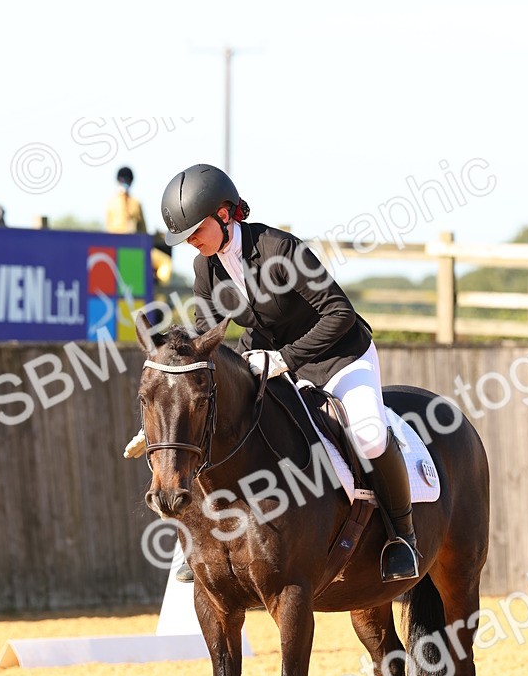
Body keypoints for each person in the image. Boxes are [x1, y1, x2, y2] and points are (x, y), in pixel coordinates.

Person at [129, 162, 419, 584]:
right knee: (217, 425)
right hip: (268, 360)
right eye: (184, 236)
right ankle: (199, 542)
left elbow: (339, 314)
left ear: (224, 215)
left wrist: (286, 358)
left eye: (195, 230)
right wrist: (166, 414)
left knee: (369, 434)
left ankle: (402, 537)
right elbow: (206, 344)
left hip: (338, 356)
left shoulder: (280, 249)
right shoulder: (205, 268)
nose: (191, 242)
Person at [106, 166, 172, 285]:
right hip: (124, 248)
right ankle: (157, 290)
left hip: (136, 247)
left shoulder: (134, 203)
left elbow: (143, 231)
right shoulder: (114, 202)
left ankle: (156, 288)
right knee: (165, 262)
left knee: (164, 262)